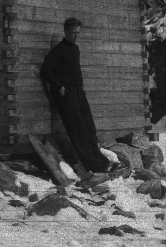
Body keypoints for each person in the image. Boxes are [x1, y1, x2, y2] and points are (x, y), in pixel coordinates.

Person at [39, 17, 113, 176]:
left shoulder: (75, 49)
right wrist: (60, 88)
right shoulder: (58, 51)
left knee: (89, 128)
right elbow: (46, 71)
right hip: (67, 95)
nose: (76, 36)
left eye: (78, 33)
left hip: (79, 92)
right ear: (65, 32)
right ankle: (95, 166)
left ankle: (101, 162)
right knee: (78, 131)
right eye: (73, 33)